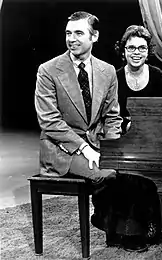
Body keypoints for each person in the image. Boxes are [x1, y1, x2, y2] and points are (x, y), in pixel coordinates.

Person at [91, 25, 162, 252]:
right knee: (131, 173)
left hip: (151, 138)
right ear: (123, 51)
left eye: (141, 47)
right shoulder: (114, 77)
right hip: (121, 138)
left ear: (148, 51)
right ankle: (131, 229)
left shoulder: (157, 75)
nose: (136, 52)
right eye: (131, 48)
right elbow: (108, 115)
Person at [34, 11, 122, 190]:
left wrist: (112, 152)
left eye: (78, 33)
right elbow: (49, 122)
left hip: (98, 145)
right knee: (107, 176)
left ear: (94, 36)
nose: (71, 39)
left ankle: (114, 219)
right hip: (62, 150)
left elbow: (112, 118)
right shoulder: (48, 71)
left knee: (129, 171)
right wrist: (84, 148)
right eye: (68, 33)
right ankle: (103, 218)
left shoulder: (108, 71)